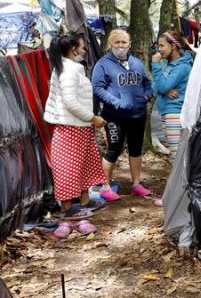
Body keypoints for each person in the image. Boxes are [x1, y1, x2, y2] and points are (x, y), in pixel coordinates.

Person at [43, 32, 107, 236]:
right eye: (82, 46)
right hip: (71, 127)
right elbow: (71, 103)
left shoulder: (68, 68)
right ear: (73, 49)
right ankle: (68, 213)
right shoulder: (68, 70)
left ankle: (84, 208)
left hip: (79, 127)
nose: (84, 50)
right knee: (68, 171)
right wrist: (93, 118)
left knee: (83, 168)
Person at [91, 29, 154, 202]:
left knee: (136, 149)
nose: (120, 46)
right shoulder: (102, 64)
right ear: (110, 44)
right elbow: (97, 88)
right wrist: (117, 102)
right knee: (114, 149)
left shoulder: (137, 63)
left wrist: (147, 96)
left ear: (129, 44)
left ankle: (136, 184)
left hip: (138, 115)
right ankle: (105, 187)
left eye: (124, 42)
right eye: (117, 42)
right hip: (114, 116)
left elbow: (148, 84)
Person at [151, 31, 193, 160]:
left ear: (173, 46)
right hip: (167, 112)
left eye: (162, 45)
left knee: (177, 155)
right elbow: (154, 86)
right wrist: (164, 89)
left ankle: (180, 180)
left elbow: (162, 85)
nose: (159, 50)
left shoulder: (182, 66)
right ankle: (180, 180)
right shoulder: (166, 64)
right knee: (177, 154)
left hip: (175, 112)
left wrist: (155, 64)